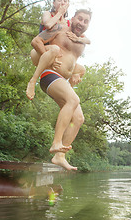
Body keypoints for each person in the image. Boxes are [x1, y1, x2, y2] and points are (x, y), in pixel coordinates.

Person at [31, 9, 92, 170]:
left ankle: (59, 155)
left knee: (78, 118)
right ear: (72, 19)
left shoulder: (82, 41)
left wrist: (77, 73)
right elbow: (36, 41)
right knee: (73, 100)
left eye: (86, 21)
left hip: (62, 80)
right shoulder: (59, 29)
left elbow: (71, 60)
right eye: (80, 19)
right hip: (49, 74)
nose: (82, 23)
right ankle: (56, 142)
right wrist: (48, 57)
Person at [26, 0, 90, 100]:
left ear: (68, 4)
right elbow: (48, 25)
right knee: (55, 49)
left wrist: (78, 39)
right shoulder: (48, 14)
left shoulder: (68, 23)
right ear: (54, 3)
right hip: (40, 51)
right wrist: (59, 13)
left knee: (81, 69)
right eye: (59, 0)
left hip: (53, 57)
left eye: (65, 0)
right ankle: (32, 81)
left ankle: (68, 89)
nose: (62, 2)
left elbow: (87, 40)